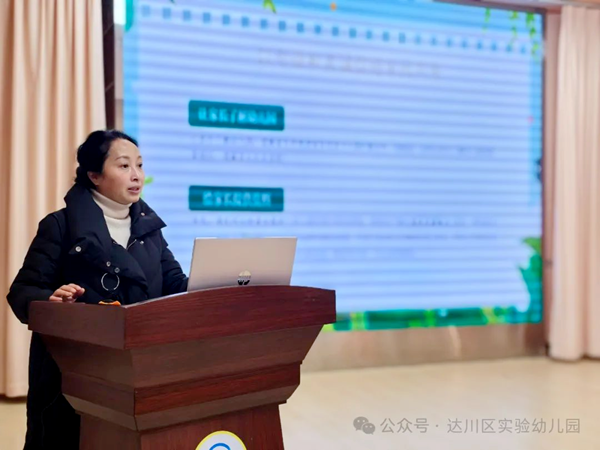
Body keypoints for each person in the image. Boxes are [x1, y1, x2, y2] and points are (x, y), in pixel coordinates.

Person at [6, 129, 188, 449]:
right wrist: (49, 299)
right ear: (94, 175)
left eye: (140, 165)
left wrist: (220, 282)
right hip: (74, 373)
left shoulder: (149, 230)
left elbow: (174, 283)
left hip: (139, 370)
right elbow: (23, 291)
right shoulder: (60, 226)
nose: (137, 175)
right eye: (124, 166)